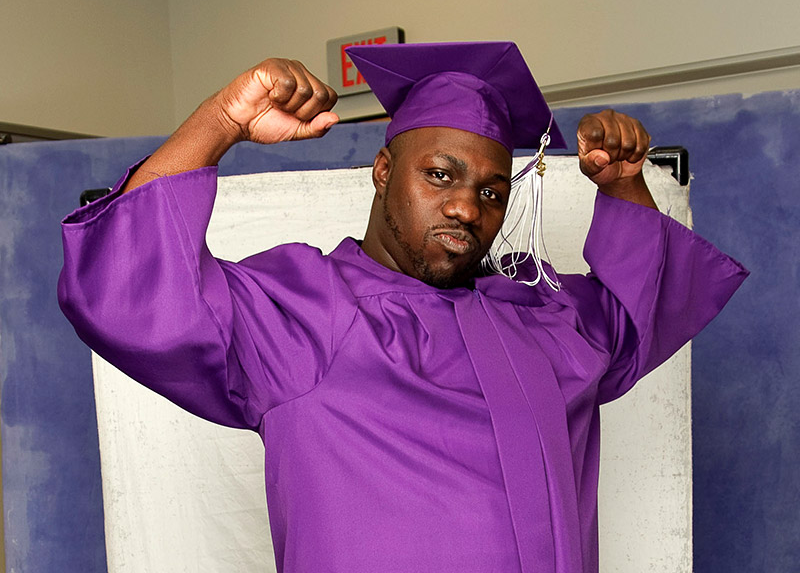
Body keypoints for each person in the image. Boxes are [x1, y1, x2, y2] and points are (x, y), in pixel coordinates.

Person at [58, 42, 747, 573]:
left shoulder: (540, 318)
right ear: (384, 170)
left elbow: (639, 316)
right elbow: (130, 287)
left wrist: (625, 185)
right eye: (440, 174)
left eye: (491, 191)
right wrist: (222, 119)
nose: (464, 207)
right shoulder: (303, 310)